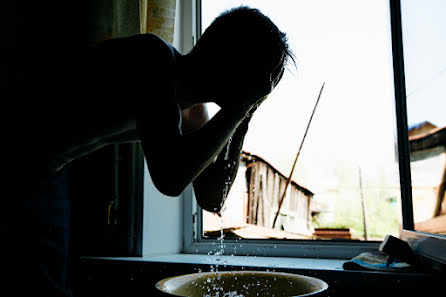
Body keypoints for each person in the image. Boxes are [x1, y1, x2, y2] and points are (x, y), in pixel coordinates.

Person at [1, 5, 294, 296]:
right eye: (260, 81)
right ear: (236, 66)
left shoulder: (192, 112)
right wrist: (239, 108)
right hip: (11, 152)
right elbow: (170, 178)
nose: (261, 91)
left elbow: (212, 198)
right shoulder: (153, 59)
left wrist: (243, 117)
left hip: (44, 171)